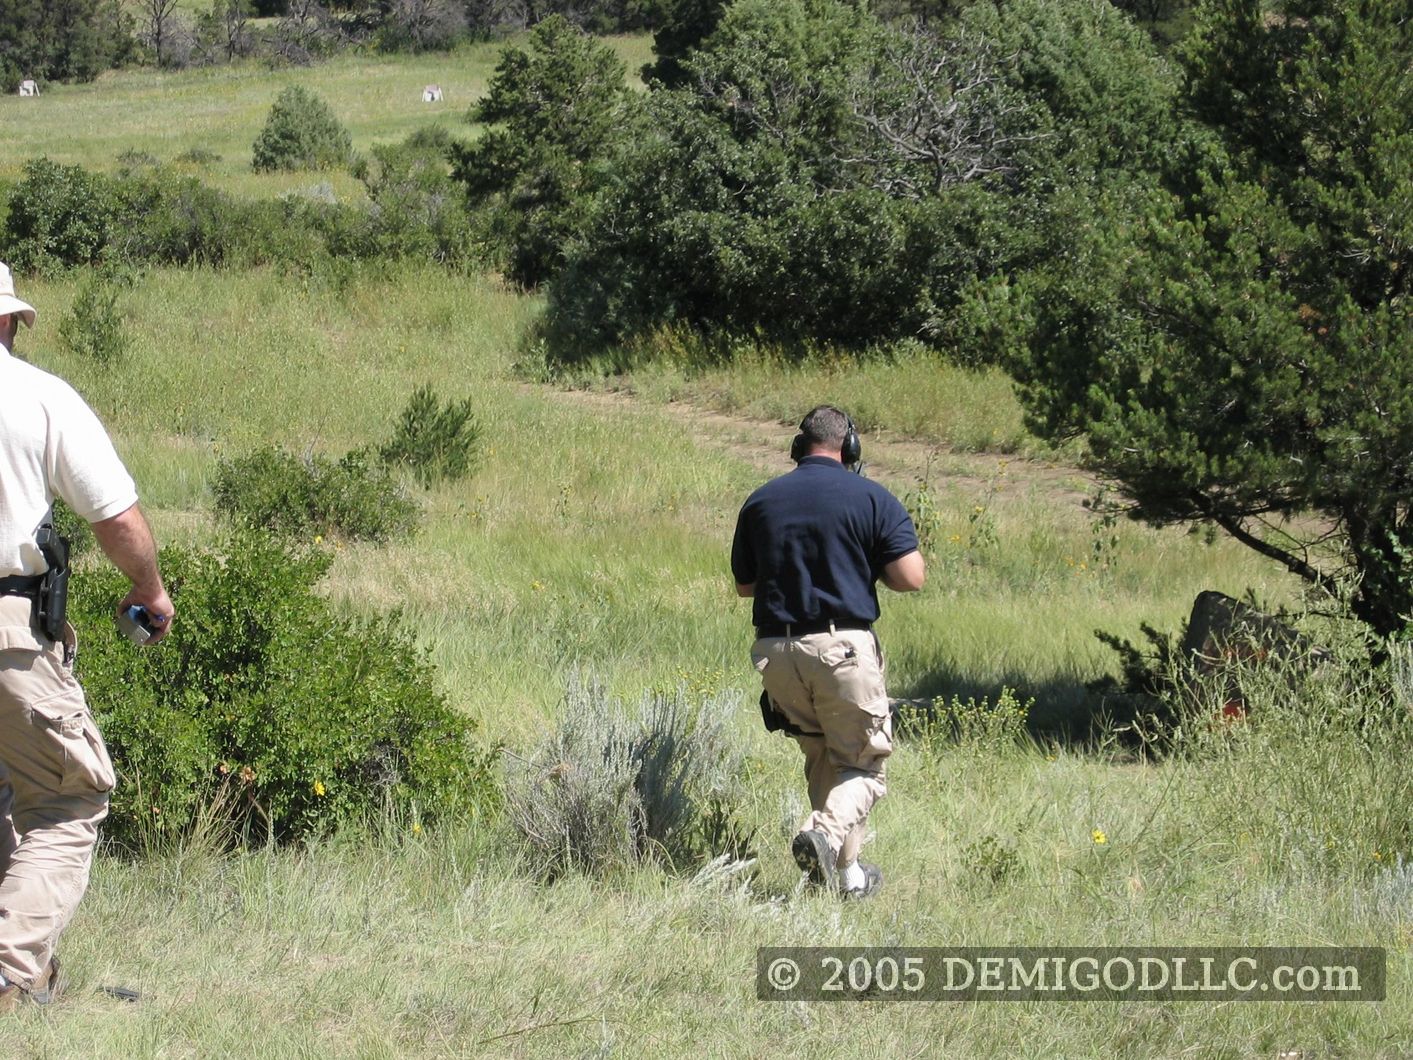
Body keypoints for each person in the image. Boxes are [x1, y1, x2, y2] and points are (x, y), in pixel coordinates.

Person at [0, 262, 173, 1007]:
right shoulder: (37, 397)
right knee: (70, 797)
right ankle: (9, 971)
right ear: (8, 321)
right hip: (9, 628)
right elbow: (118, 520)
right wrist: (150, 590)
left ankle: (33, 976)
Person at [731, 405, 924, 899]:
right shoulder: (872, 498)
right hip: (841, 648)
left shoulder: (761, 501)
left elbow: (745, 586)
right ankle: (822, 835)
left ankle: (848, 878)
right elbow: (910, 578)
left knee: (823, 757)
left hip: (775, 651)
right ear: (850, 447)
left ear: (799, 447)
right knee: (865, 767)